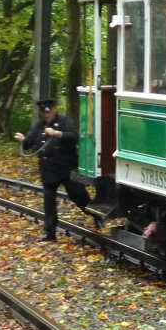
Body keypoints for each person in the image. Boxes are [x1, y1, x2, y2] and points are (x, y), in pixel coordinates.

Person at [14, 98, 101, 241]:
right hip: (48, 170)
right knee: (49, 202)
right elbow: (29, 144)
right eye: (44, 113)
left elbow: (74, 136)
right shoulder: (39, 126)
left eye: (48, 112)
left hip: (66, 168)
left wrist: (57, 133)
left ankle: (95, 215)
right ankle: (50, 233)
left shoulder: (64, 121)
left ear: (54, 110)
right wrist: (23, 140)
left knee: (79, 196)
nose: (46, 115)